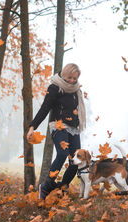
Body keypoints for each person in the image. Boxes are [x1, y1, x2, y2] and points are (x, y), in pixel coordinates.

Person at [27, 63, 86, 200]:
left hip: (73, 128)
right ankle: (46, 185)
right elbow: (45, 108)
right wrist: (32, 127)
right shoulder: (54, 87)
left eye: (75, 79)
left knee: (76, 160)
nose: (72, 81)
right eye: (69, 78)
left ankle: (62, 188)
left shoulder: (76, 90)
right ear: (64, 74)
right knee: (62, 153)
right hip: (58, 125)